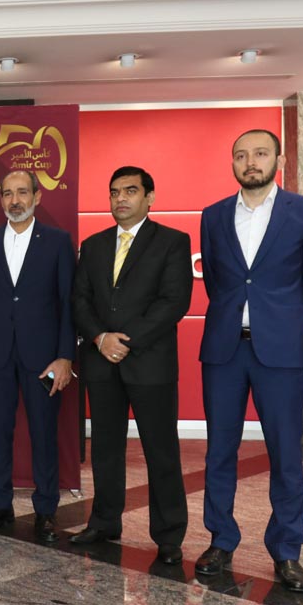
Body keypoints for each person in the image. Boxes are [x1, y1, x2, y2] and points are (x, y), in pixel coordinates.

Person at [197, 129, 303, 592]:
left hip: (280, 353)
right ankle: (220, 539)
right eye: (242, 155)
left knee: (286, 454)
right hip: (224, 350)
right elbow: (216, 281)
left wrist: (285, 322)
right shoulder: (212, 217)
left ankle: (287, 551)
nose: (251, 162)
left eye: (260, 154)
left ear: (279, 159)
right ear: (232, 162)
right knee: (219, 452)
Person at [71, 166, 191, 565]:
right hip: (102, 362)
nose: (120, 199)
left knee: (161, 452)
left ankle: (169, 536)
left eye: (130, 191)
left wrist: (127, 340)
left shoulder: (172, 242)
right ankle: (105, 522)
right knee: (105, 449)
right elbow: (80, 300)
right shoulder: (93, 245)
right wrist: (100, 338)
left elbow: (173, 302)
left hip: (150, 364)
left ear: (150, 197)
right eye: (114, 193)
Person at [0, 170, 76, 541]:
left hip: (43, 357)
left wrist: (65, 356)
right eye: (8, 194)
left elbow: (67, 302)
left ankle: (46, 510)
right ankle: (0, 505)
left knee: (44, 433)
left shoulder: (59, 241)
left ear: (37, 197)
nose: (15, 200)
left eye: (22, 193)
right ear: (0, 199)